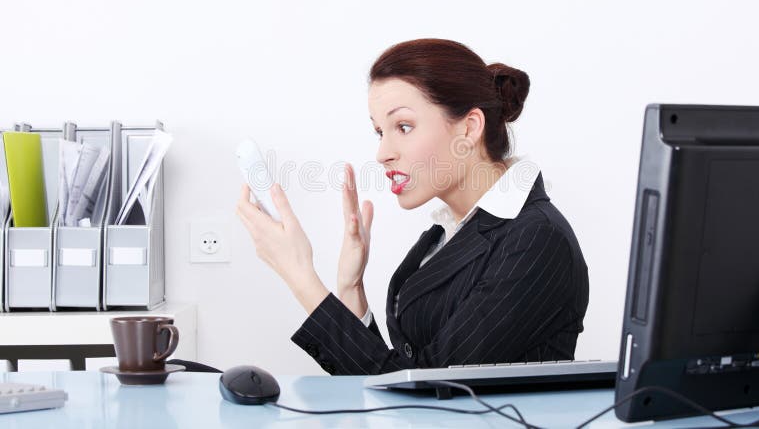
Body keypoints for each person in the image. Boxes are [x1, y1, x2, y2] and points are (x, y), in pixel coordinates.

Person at [236, 38, 589, 376]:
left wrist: (299, 275)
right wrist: (351, 289)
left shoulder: (537, 239)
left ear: (469, 128)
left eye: (403, 126)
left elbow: (427, 390)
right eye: (380, 132)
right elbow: (398, 381)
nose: (382, 153)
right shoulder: (445, 235)